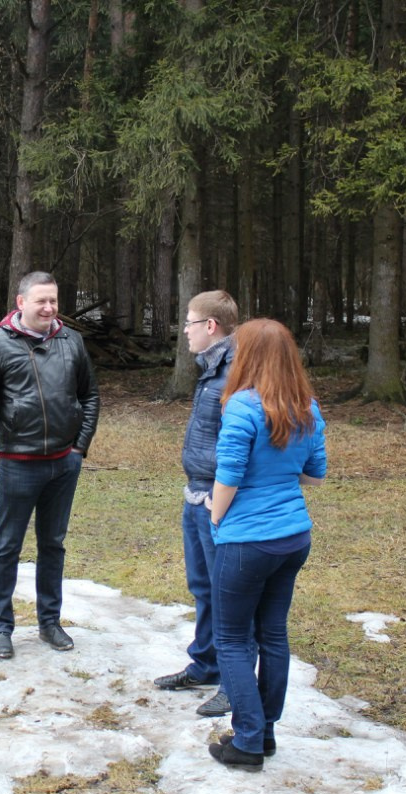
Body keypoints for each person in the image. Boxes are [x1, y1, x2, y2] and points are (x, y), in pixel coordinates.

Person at [206, 318, 326, 771]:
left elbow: (229, 475)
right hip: (294, 538)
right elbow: (315, 472)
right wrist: (277, 473)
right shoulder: (307, 407)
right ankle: (266, 732)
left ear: (249, 357)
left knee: (233, 639)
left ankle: (248, 741)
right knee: (272, 634)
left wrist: (216, 519)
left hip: (247, 541)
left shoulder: (241, 406)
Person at [0, 271, 101, 660]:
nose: (48, 308)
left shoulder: (71, 341)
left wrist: (79, 449)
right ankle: (1, 627)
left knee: (53, 545)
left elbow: (90, 396)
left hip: (64, 464)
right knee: (7, 546)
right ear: (20, 302)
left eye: (54, 301)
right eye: (41, 300)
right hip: (18, 464)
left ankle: (50, 622)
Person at [153, 291, 238, 720]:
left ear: (210, 327)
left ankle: (233, 681)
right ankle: (205, 665)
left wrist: (221, 500)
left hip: (217, 500)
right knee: (202, 588)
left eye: (189, 323)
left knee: (227, 594)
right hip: (196, 492)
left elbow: (241, 444)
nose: (183, 331)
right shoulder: (212, 368)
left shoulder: (237, 371)